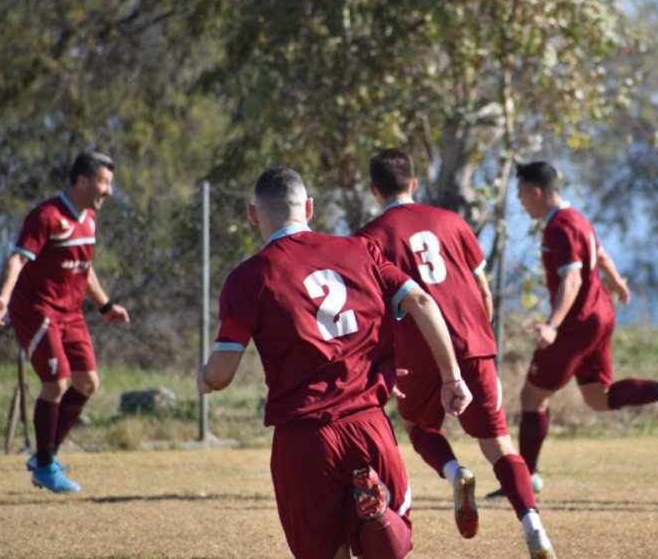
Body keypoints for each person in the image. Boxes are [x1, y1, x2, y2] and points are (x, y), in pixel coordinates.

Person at [198, 165, 472, 559]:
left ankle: (375, 518)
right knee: (390, 546)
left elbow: (223, 373)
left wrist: (206, 377)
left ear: (253, 214)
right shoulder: (361, 250)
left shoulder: (248, 278)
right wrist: (452, 378)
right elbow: (423, 301)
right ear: (308, 207)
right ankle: (377, 519)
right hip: (369, 423)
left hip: (305, 437)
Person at [356, 149, 555, 559]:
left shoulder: (368, 238)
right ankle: (534, 528)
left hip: (419, 352)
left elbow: (374, 310)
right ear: (414, 183)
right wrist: (479, 336)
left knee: (417, 427)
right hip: (474, 345)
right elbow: (482, 291)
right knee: (499, 444)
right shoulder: (453, 222)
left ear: (374, 189)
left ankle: (455, 472)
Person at [514, 161, 658, 492]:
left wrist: (552, 324)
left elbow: (572, 278)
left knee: (532, 395)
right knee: (599, 398)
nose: (520, 201)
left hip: (577, 324)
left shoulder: (558, 227)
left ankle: (525, 479)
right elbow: (600, 254)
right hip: (601, 314)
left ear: (536, 191)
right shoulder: (576, 218)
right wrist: (617, 282)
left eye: (520, 193)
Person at [0, 151, 130, 494]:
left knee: (88, 383)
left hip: (71, 313)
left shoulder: (89, 219)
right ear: (81, 181)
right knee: (57, 381)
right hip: (38, 310)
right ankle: (46, 463)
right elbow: (18, 260)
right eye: (104, 182)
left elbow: (85, 268)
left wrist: (105, 306)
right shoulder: (47, 216)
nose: (109, 191)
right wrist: (1, 301)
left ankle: (43, 457)